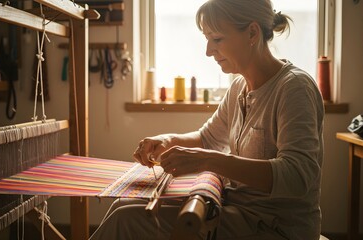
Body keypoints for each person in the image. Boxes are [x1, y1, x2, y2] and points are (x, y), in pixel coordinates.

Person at [90, 0, 324, 239]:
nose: (208, 51)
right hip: (240, 212)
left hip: (276, 227)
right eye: (207, 39)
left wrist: (207, 161)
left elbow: (297, 176)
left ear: (252, 33)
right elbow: (207, 138)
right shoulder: (239, 88)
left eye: (217, 39)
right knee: (121, 207)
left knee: (126, 220)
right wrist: (166, 140)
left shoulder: (294, 88)